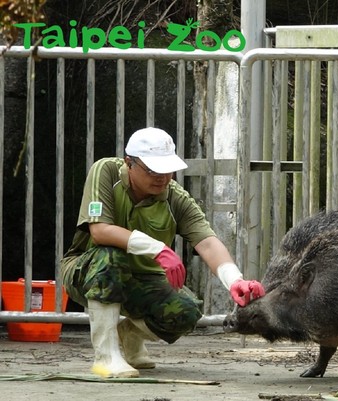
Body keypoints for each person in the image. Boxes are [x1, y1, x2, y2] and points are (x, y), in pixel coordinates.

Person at [60, 127, 265, 378]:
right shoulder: (106, 171)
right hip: (86, 270)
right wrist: (158, 249)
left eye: (168, 169)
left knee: (186, 311)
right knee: (109, 257)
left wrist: (235, 280)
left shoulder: (176, 197)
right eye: (152, 170)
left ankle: (130, 334)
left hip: (142, 279)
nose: (162, 177)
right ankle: (106, 356)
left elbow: (208, 242)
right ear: (129, 163)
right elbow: (100, 231)